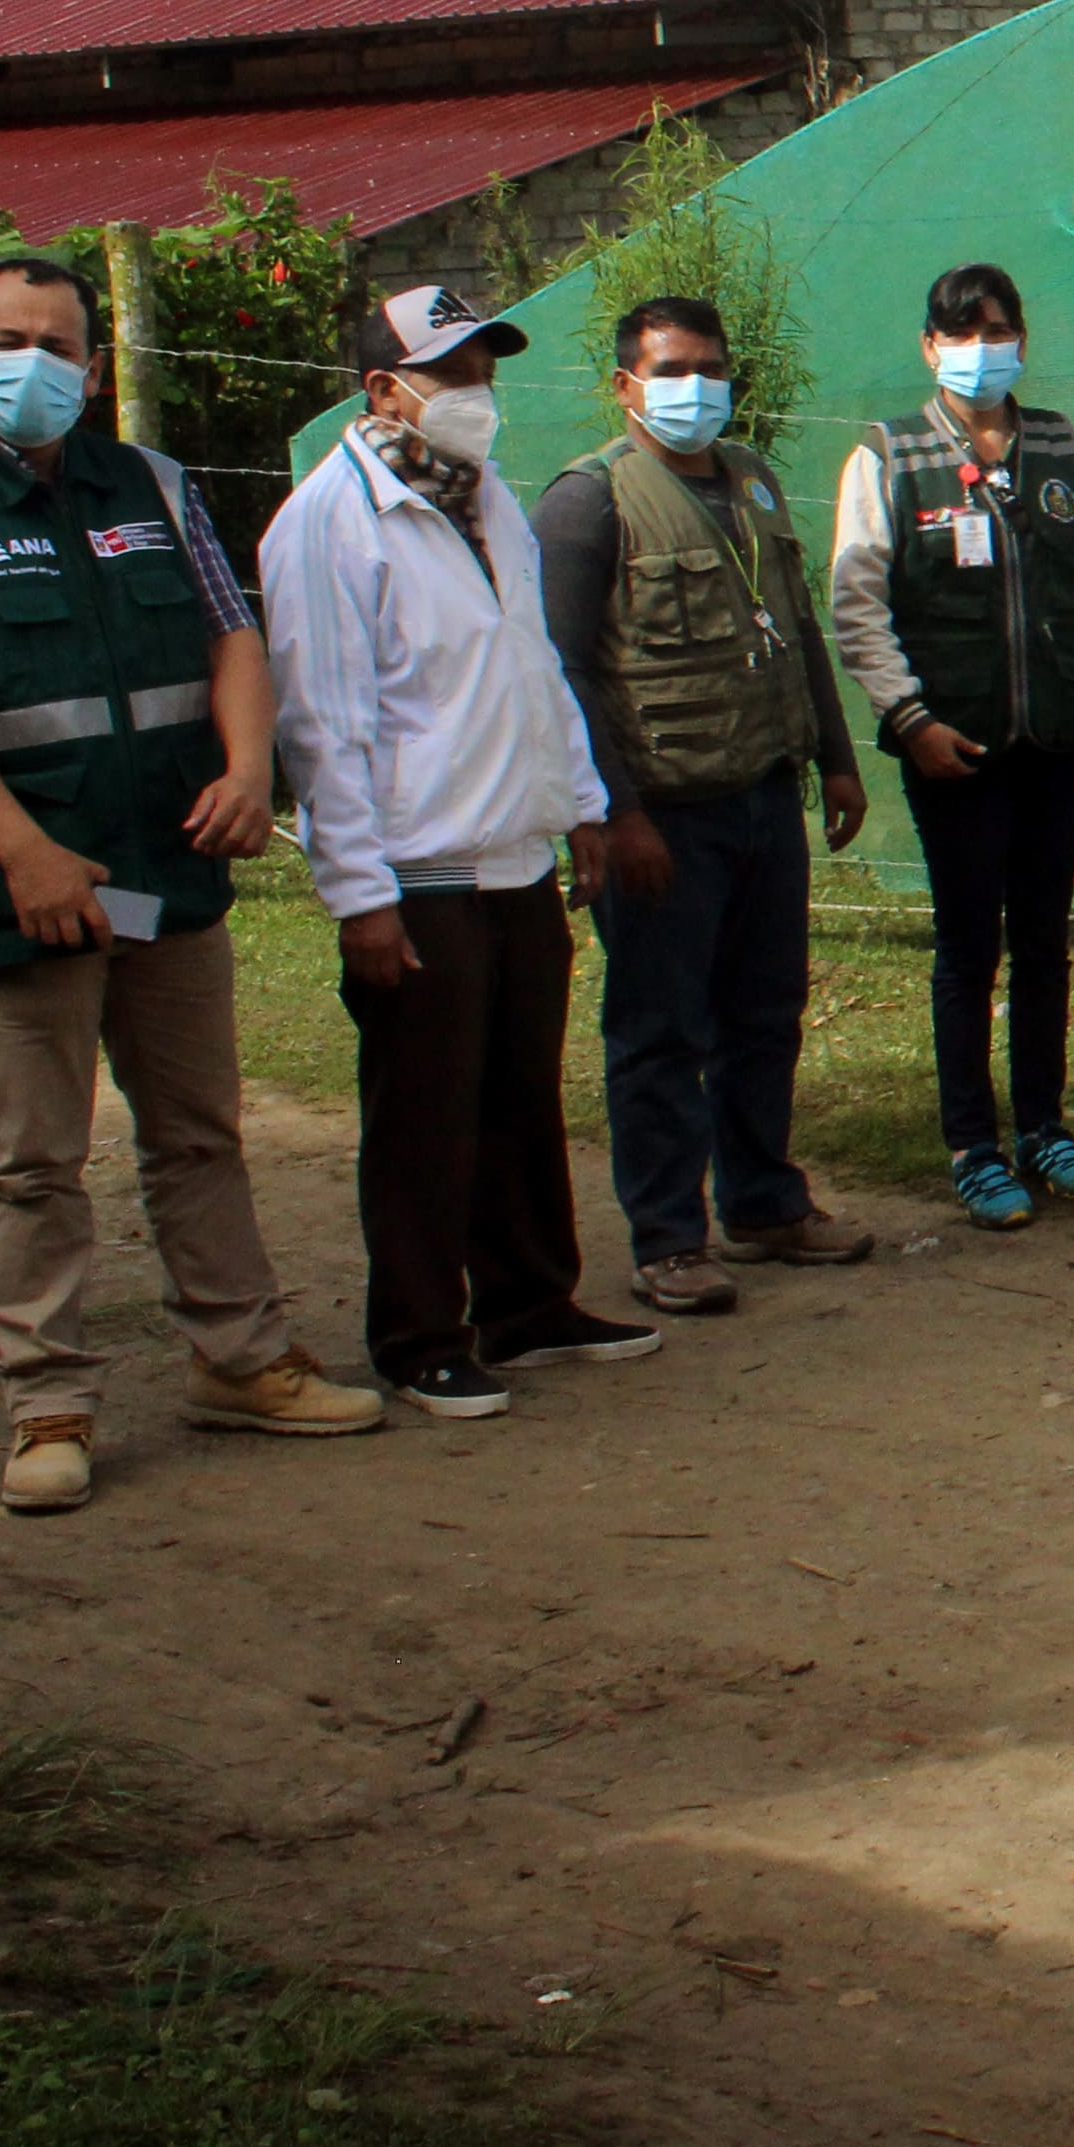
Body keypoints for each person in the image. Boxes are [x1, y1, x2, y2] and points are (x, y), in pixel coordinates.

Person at [0, 255, 382, 1512]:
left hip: (164, 881)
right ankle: (48, 1409)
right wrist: (20, 849)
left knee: (198, 1134)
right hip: (32, 892)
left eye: (60, 342)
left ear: (95, 363)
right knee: (36, 1161)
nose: (38, 361)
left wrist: (252, 770)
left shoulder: (154, 485)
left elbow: (230, 632)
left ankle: (242, 1362)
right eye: (9, 339)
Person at [264, 286, 634, 1420]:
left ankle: (530, 1305)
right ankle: (419, 1334)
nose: (478, 396)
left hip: (515, 849)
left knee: (521, 1098)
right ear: (384, 391)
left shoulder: (488, 503)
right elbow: (323, 724)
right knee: (426, 1117)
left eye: (485, 370)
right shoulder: (326, 524)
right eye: (454, 374)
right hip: (419, 872)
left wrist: (580, 806)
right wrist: (358, 898)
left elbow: (534, 666)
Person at [542, 297, 872, 1314]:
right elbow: (564, 670)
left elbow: (800, 628)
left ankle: (765, 1202)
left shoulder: (757, 482)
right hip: (664, 814)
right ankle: (667, 1236)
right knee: (658, 1029)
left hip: (764, 793)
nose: (698, 387)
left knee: (764, 1013)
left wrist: (836, 755)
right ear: (626, 385)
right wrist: (615, 811)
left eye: (712, 367)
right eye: (673, 368)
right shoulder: (587, 502)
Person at [830, 263, 1074, 1229]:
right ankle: (974, 1146)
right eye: (960, 332)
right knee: (968, 948)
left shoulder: (1059, 445)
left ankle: (1045, 1128)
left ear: (1021, 338)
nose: (981, 347)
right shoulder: (888, 457)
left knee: (1045, 943)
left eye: (997, 328)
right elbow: (859, 608)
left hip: (1056, 737)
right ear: (930, 347)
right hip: (956, 747)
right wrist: (911, 720)